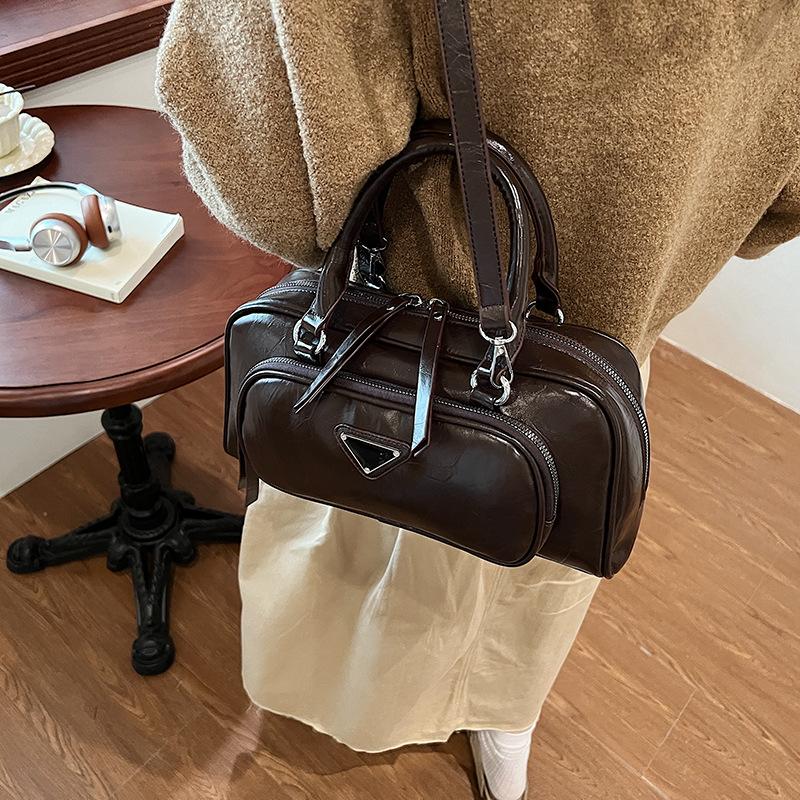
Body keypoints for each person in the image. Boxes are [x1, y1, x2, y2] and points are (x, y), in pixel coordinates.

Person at [156, 2, 800, 798]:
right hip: (594, 357)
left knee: (379, 559)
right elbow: (777, 199)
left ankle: (376, 708)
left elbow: (274, 181)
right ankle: (505, 722)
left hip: (386, 350)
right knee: (536, 547)